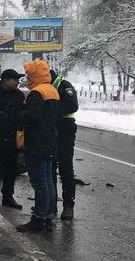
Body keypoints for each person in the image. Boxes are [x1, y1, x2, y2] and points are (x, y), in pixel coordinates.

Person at [16, 60, 60, 233]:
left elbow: (32, 117)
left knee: (39, 182)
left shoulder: (37, 93)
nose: (27, 78)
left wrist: (19, 113)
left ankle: (39, 218)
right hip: (50, 140)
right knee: (48, 180)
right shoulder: (52, 90)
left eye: (29, 75)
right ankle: (48, 216)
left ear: (35, 75)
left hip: (37, 142)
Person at [0, 69, 26, 209]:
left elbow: (22, 115)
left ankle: (8, 196)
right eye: (15, 79)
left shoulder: (19, 95)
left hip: (13, 138)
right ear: (5, 80)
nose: (18, 82)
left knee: (11, 169)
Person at [50, 70, 79, 220]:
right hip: (51, 130)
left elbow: (72, 106)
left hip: (65, 129)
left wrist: (50, 107)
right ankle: (51, 203)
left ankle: (68, 205)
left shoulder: (64, 86)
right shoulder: (46, 86)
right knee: (50, 168)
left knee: (65, 168)